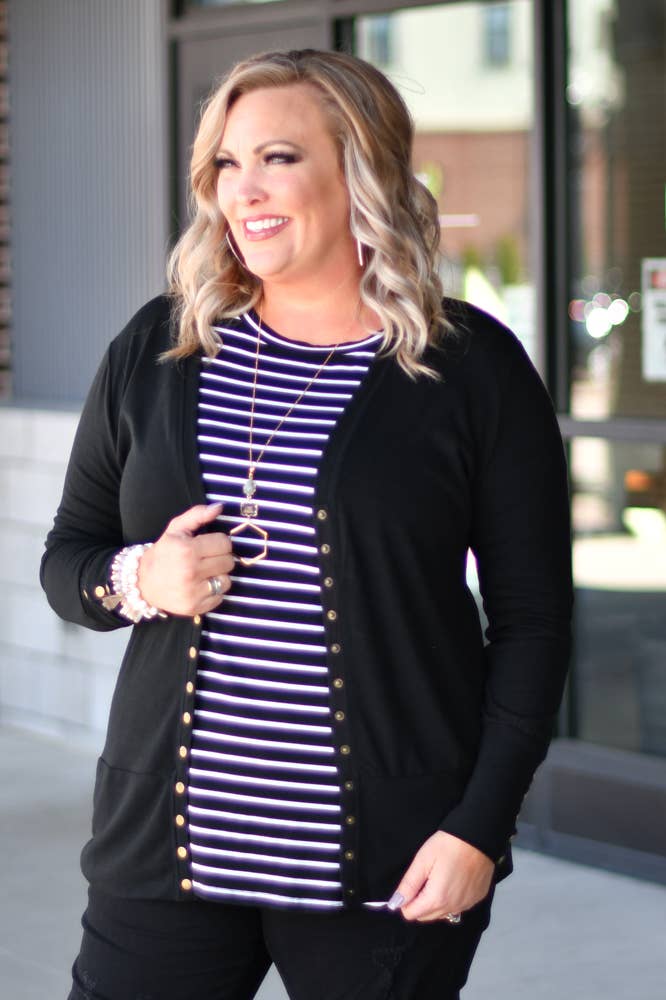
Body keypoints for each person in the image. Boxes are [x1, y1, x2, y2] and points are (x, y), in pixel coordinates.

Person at [42, 48, 572, 1000]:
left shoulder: (469, 369)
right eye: (226, 164)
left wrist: (479, 828)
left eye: (278, 158)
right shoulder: (159, 348)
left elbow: (533, 622)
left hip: (390, 871)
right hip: (166, 854)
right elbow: (67, 562)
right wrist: (140, 580)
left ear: (361, 170)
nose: (243, 190)